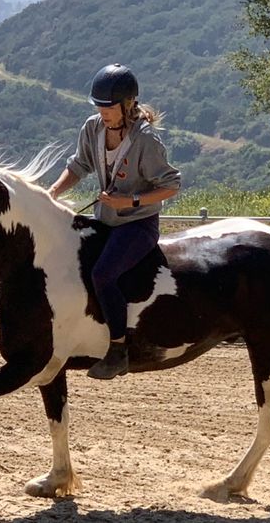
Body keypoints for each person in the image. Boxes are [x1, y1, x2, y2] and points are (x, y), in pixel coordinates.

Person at [48, 63, 181, 379]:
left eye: (108, 107)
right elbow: (79, 166)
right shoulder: (92, 128)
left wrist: (129, 201)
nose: (103, 112)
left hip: (138, 225)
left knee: (104, 274)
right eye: (99, 106)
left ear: (128, 104)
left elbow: (171, 184)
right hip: (105, 221)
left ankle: (119, 349)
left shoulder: (146, 141)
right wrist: (51, 192)